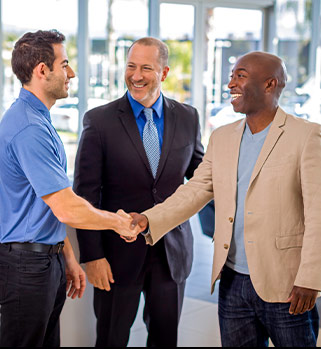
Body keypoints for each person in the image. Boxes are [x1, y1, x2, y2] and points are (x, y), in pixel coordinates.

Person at [130, 51, 321, 347]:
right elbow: (195, 190)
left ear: (270, 85)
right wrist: (148, 219)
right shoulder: (222, 137)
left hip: (287, 284)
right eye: (232, 76)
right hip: (232, 281)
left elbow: (318, 212)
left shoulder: (306, 136)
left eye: (240, 76)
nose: (230, 83)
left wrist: (311, 278)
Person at [0, 30, 138, 347]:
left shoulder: (37, 119)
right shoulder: (29, 128)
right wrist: (118, 222)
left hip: (43, 260)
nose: (71, 73)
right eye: (64, 64)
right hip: (26, 268)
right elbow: (65, 207)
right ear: (42, 70)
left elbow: (43, 206)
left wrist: (67, 255)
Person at [73, 37, 204, 347]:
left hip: (171, 253)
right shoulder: (99, 121)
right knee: (111, 338)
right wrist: (93, 256)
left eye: (146, 67)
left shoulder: (188, 117)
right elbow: (85, 196)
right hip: (117, 255)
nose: (136, 75)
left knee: (164, 339)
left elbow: (201, 179)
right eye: (131, 66)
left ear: (165, 72)